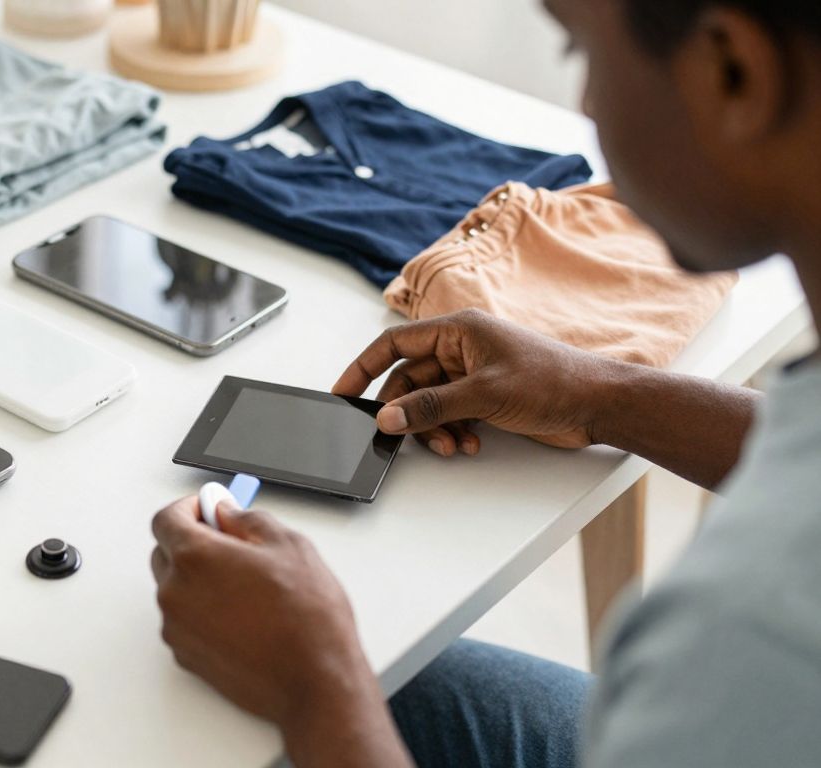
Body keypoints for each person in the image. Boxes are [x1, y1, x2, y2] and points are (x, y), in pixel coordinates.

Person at [148, 0, 821, 766]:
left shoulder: (759, 633)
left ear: (732, 70)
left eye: (583, 54)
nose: (589, 106)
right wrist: (598, 394)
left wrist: (318, 687)